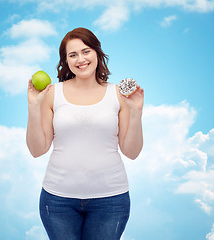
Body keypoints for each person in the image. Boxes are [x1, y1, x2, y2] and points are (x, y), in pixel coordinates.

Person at [26, 27, 144, 240]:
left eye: (86, 51)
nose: (81, 59)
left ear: (97, 53)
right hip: (57, 200)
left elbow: (132, 152)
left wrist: (135, 113)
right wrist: (34, 107)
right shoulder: (52, 93)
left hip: (111, 200)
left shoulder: (118, 94)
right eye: (73, 55)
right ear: (66, 61)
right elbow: (37, 150)